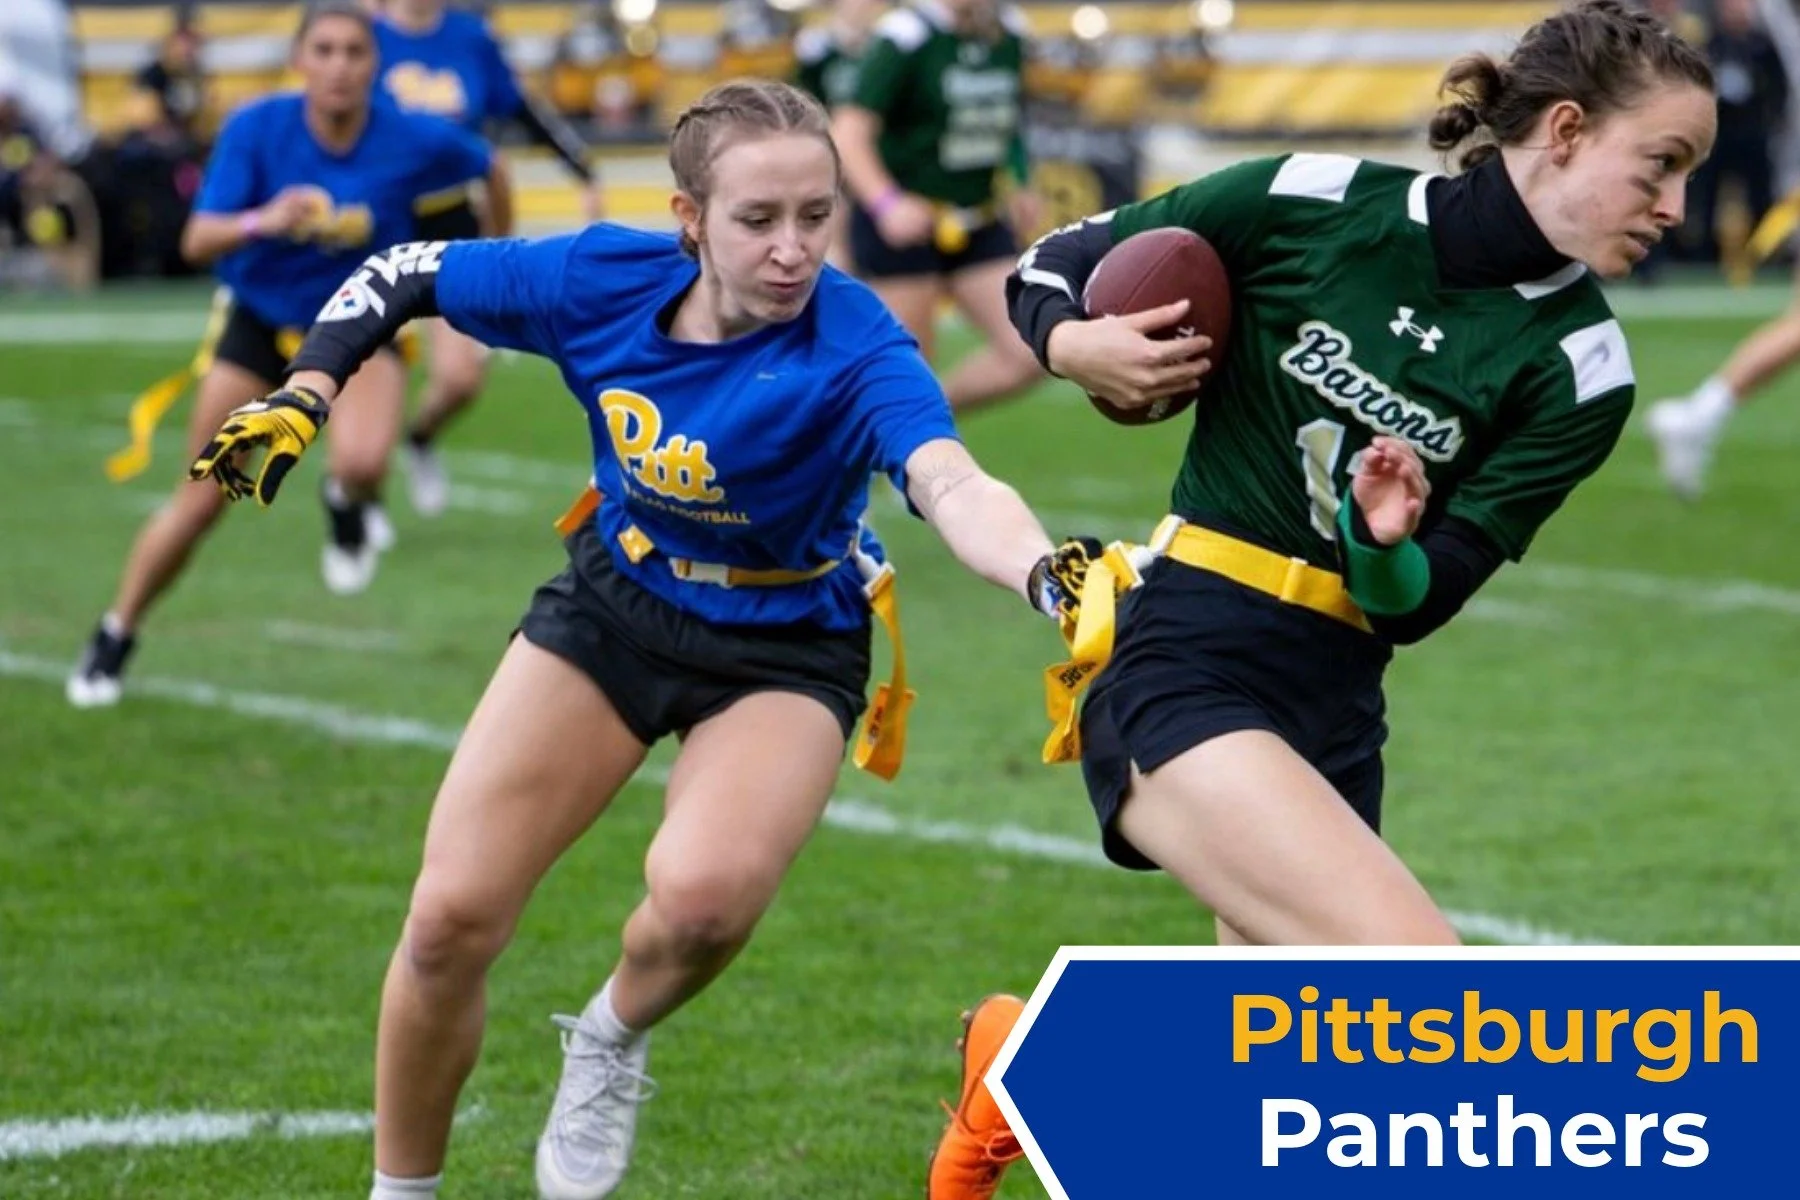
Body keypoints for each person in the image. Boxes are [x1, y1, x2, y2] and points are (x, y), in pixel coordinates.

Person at [186, 77, 1082, 1200]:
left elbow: (951, 482)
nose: (794, 249)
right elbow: (405, 270)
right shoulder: (597, 277)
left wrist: (1047, 575)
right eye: (758, 219)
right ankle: (399, 1190)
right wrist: (310, 387)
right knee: (448, 920)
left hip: (786, 640)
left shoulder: (857, 340)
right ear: (688, 219)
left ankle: (610, 1035)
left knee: (703, 902)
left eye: (816, 215)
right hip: (617, 603)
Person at [924, 2, 1716, 1196]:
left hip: (1336, 710)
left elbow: (1418, 603)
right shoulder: (1309, 198)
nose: (1678, 207)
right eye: (1662, 165)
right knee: (1431, 1005)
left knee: (1281, 1115)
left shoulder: (1583, 370)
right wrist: (1073, 346)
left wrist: (1378, 541)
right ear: (1564, 131)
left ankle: (1020, 1063)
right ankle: (1032, 1064)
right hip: (1185, 654)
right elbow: (1053, 265)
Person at [66, 1, 492, 707]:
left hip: (360, 325)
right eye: (323, 50)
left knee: (362, 463)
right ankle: (117, 630)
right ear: (299, 60)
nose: (339, 66)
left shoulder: (413, 136)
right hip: (261, 324)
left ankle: (345, 502)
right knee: (202, 499)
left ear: (375, 62)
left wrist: (494, 273)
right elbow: (197, 240)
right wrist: (265, 219)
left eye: (354, 51)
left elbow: (488, 168)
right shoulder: (257, 127)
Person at [374, 0, 604, 520]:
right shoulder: (362, 39)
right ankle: (357, 498)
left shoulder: (470, 37)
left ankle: (420, 438)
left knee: (460, 379)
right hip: (376, 223)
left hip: (452, 221)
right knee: (366, 376)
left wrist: (581, 168)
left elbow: (521, 109)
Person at [831, 0, 1046, 413]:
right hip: (904, 227)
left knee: (1032, 346)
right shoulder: (905, 35)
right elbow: (847, 132)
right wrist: (886, 202)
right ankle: (911, 427)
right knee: (912, 369)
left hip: (978, 218)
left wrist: (1021, 180)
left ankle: (925, 419)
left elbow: (1009, 116)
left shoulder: (1010, 30)